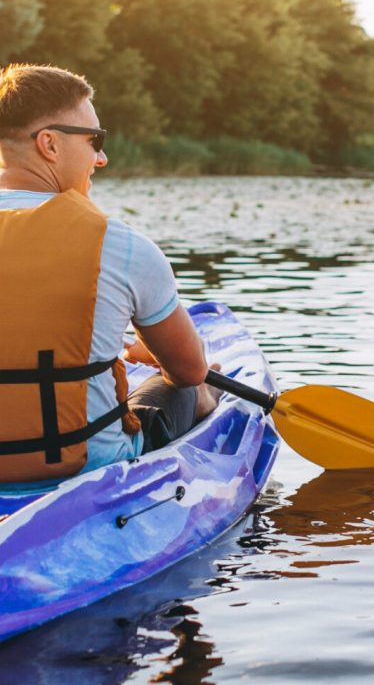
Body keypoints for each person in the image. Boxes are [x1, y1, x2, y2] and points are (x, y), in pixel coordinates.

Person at [0, 63, 219, 495]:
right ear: (50, 144)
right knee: (200, 383)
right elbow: (187, 370)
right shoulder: (119, 244)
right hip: (84, 470)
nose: (101, 157)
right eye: (94, 140)